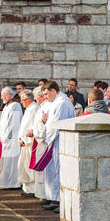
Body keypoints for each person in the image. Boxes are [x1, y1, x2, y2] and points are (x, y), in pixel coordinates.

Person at [40, 81, 76, 212]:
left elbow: (56, 124)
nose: (45, 97)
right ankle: (52, 197)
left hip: (59, 140)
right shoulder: (54, 102)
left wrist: (47, 139)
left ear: (53, 91)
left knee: (58, 170)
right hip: (52, 140)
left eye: (46, 93)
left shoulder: (62, 102)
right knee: (51, 171)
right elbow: (48, 122)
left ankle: (59, 199)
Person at [0, 87, 23, 189]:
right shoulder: (7, 106)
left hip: (11, 139)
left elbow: (13, 124)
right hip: (6, 139)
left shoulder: (15, 106)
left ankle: (13, 183)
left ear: (9, 95)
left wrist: (7, 137)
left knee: (12, 162)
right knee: (7, 162)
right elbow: (3, 123)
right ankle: (7, 182)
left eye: (4, 95)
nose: (2, 97)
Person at [17, 89, 40, 197]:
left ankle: (33, 190)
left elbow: (32, 126)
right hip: (25, 142)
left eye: (23, 100)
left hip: (30, 143)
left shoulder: (34, 109)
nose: (21, 102)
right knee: (24, 166)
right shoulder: (28, 109)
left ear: (29, 99)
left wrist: (25, 140)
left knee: (30, 167)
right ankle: (27, 189)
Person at [31, 86, 50, 204]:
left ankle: (46, 195)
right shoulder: (41, 107)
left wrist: (35, 132)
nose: (35, 99)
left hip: (44, 141)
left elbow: (42, 125)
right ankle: (41, 194)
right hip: (39, 141)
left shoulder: (46, 107)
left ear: (42, 96)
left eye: (36, 97)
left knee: (45, 171)